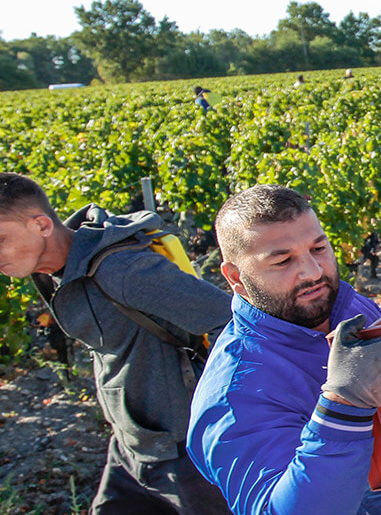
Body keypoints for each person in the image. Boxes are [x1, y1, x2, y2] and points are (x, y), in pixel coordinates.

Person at [188, 185, 381, 515]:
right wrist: (345, 405)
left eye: (318, 248)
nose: (314, 272)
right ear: (237, 277)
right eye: (283, 260)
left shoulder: (341, 306)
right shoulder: (234, 397)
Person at [0, 173, 233, 514]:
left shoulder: (120, 269)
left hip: (184, 452)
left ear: (41, 225)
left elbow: (229, 320)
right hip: (130, 446)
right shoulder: (57, 272)